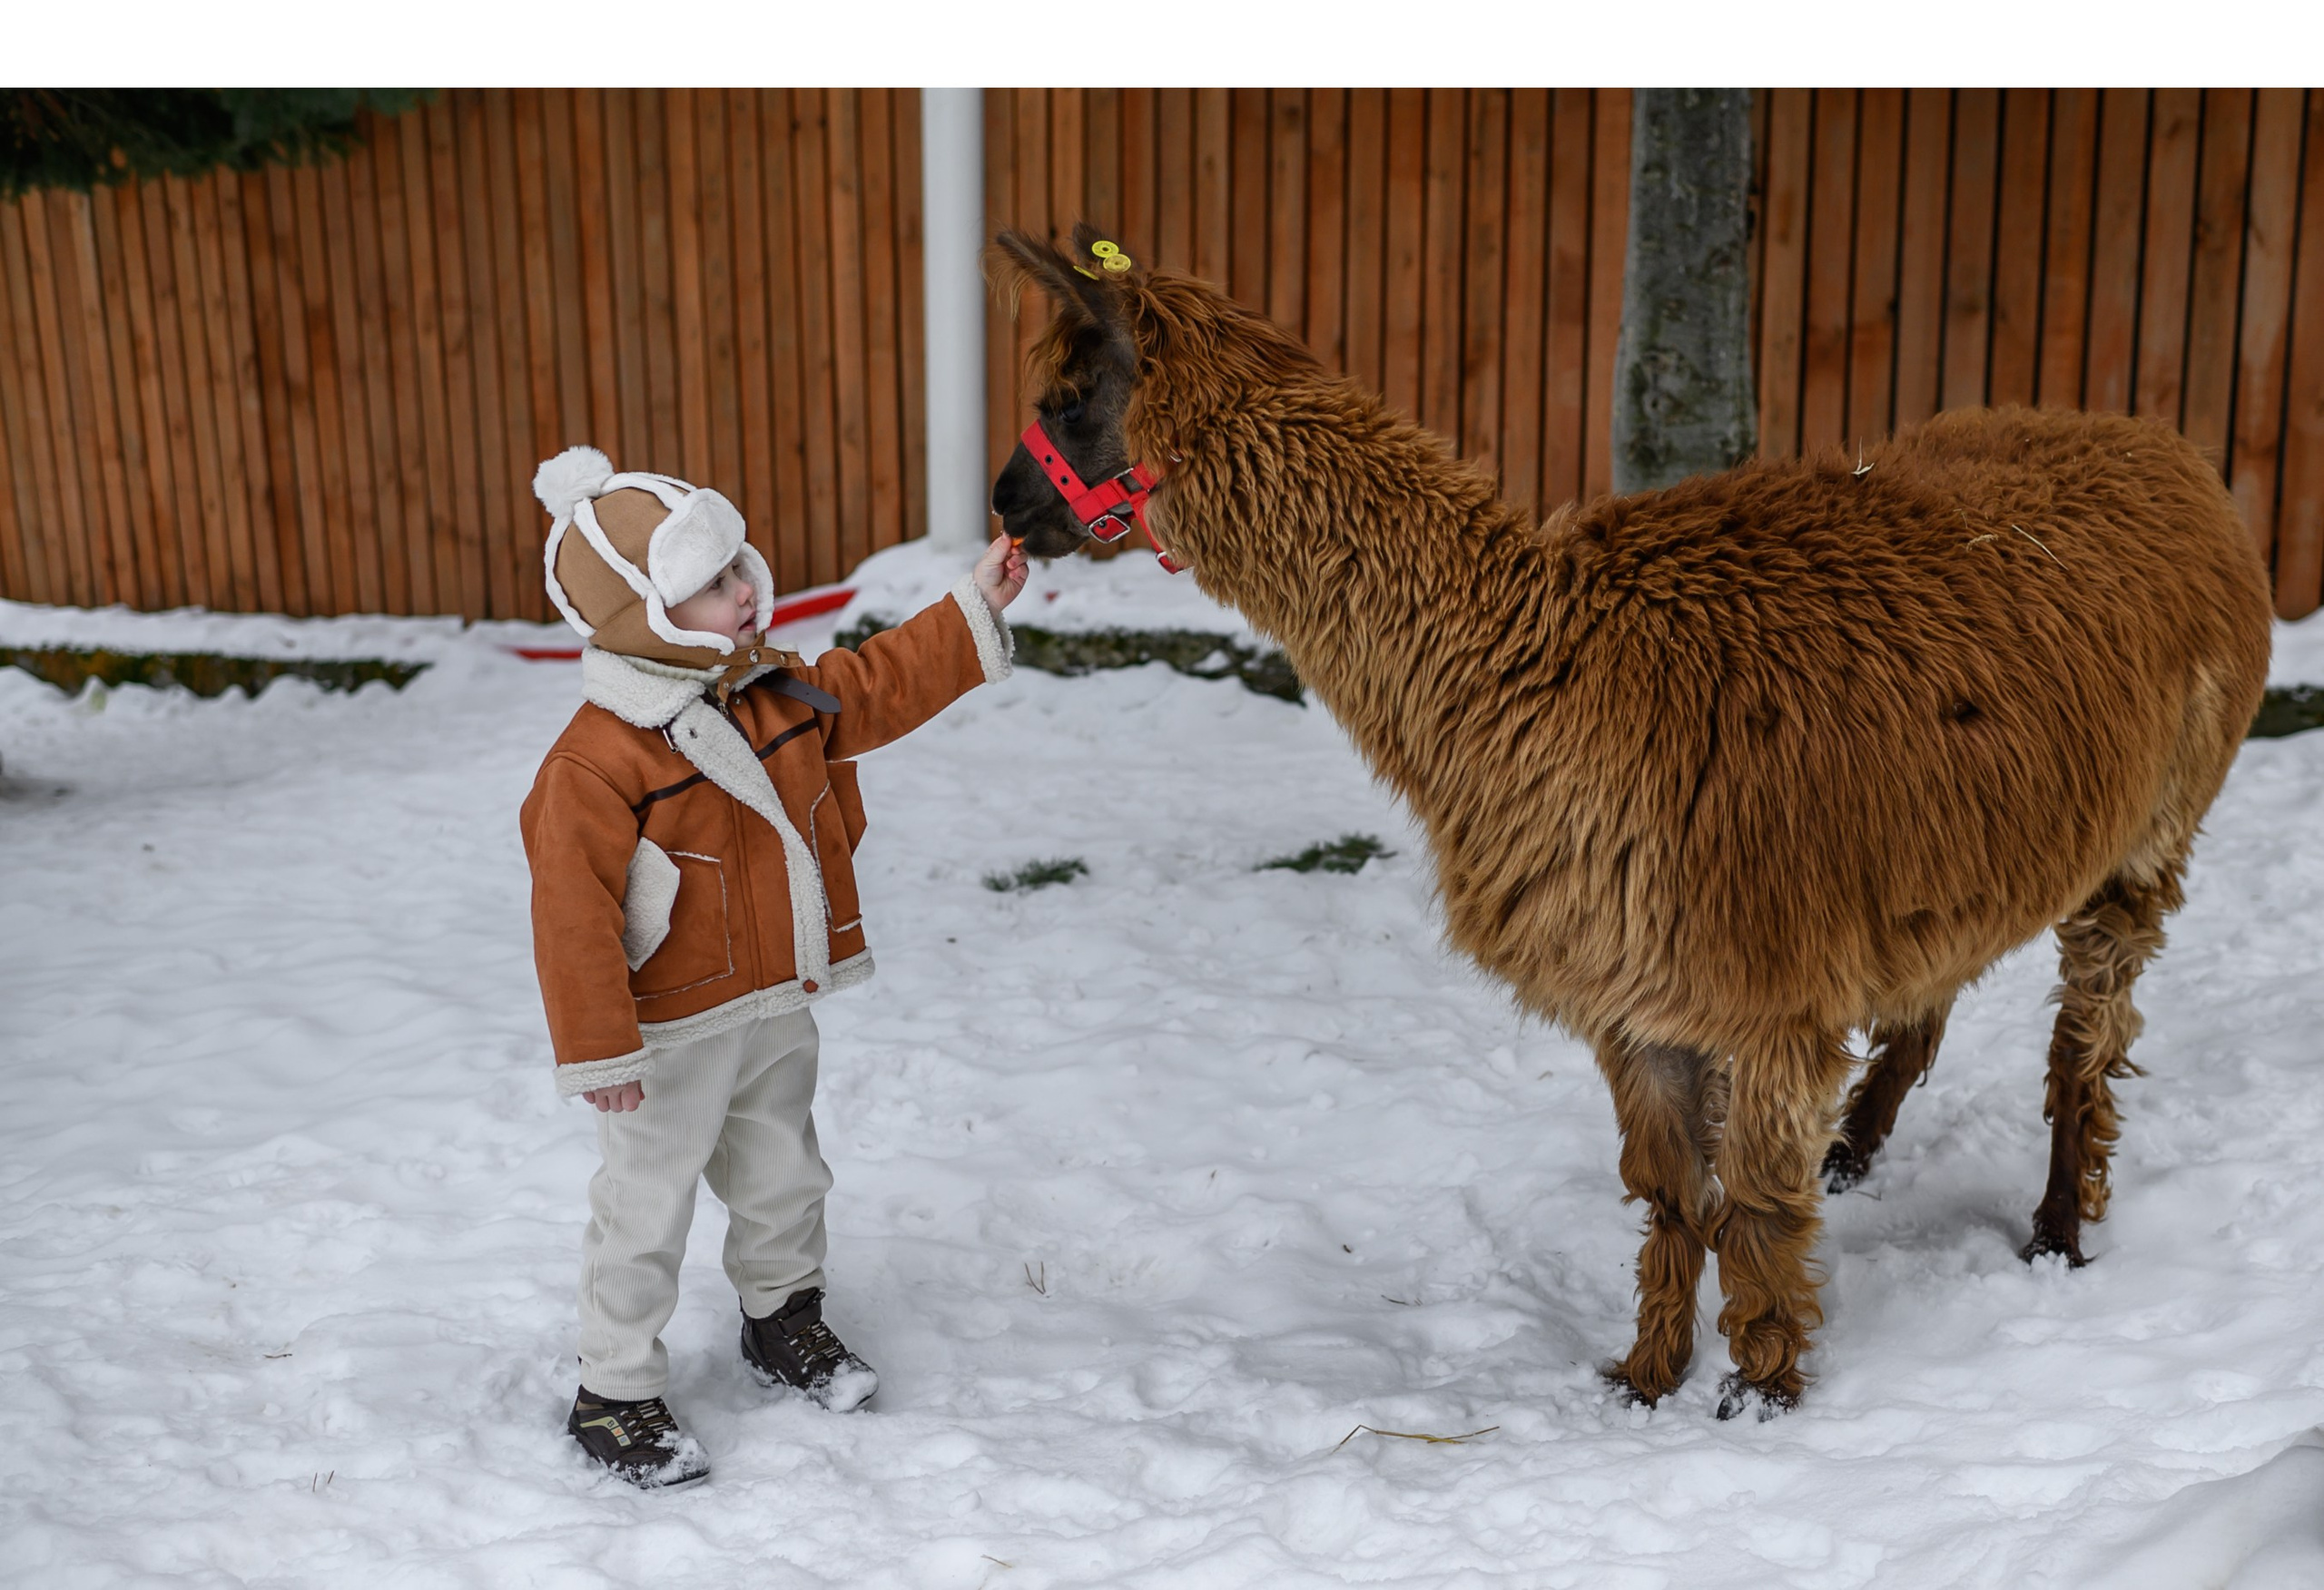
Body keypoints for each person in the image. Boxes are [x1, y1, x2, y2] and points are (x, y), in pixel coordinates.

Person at [519, 445, 1025, 1488]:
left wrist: (972, 603)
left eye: (738, 565)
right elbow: (569, 919)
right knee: (645, 1208)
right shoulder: (596, 761)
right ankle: (613, 1392)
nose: (745, 590)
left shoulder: (776, 690)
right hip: (663, 1034)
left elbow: (877, 684)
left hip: (773, 997)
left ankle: (781, 1319)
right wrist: (597, 1050)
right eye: (709, 585)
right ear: (642, 614)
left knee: (785, 1174)